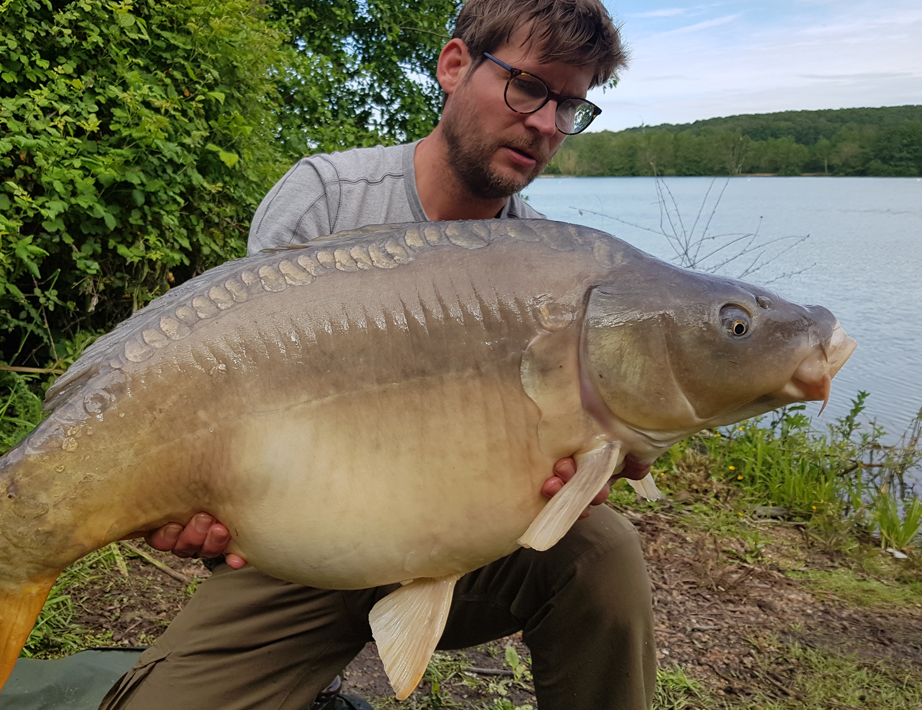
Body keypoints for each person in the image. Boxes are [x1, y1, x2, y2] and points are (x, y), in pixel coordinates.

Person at [100, 1, 654, 708]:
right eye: (528, 87)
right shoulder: (327, 199)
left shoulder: (551, 268)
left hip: (467, 542)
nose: (547, 124)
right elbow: (235, 393)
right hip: (303, 552)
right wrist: (199, 497)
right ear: (454, 65)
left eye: (569, 105)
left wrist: (589, 460)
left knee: (603, 554)